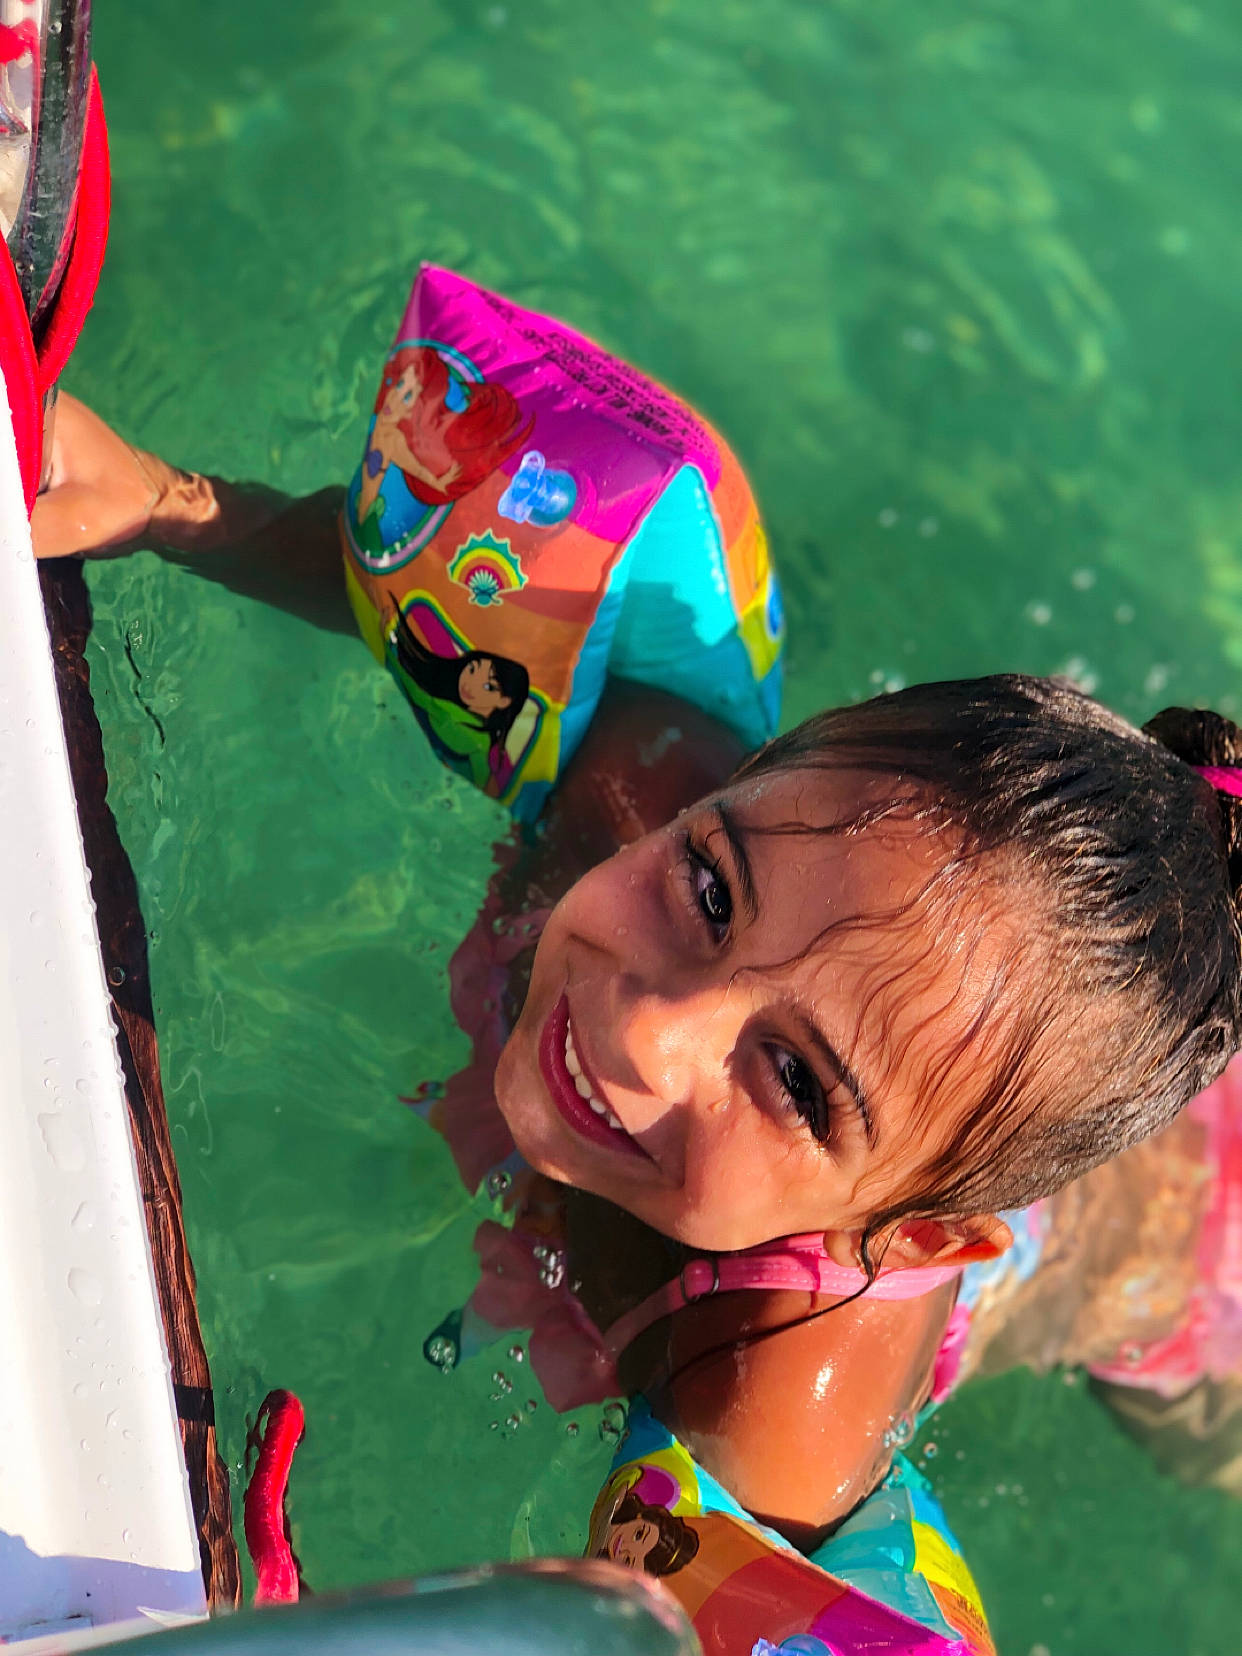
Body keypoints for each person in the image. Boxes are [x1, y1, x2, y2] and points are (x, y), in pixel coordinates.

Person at [31, 396, 1242, 1615]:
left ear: (917, 1239)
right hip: (955, 1088)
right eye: (711, 887)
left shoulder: (768, 1403)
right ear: (732, 786)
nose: (651, 1029)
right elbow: (435, 623)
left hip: (1175, 1264)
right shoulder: (634, 775)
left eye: (797, 1080)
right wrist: (167, 505)